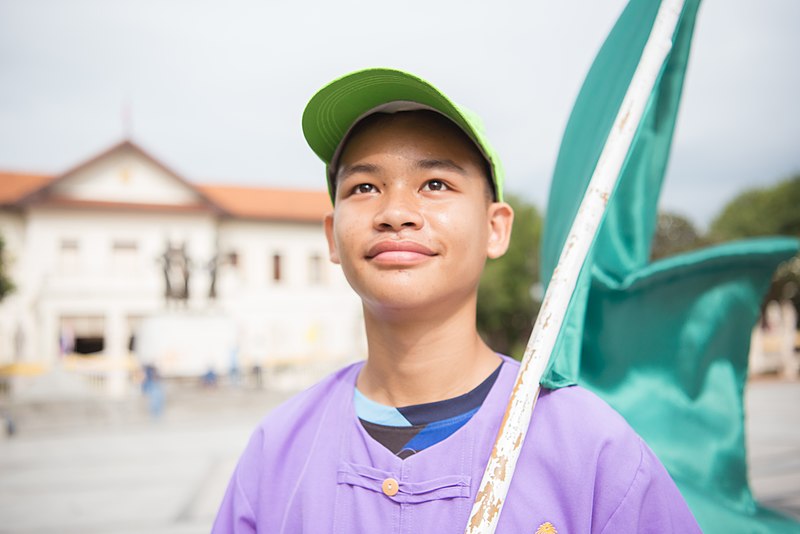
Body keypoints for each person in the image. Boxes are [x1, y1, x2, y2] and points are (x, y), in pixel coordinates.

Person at [212, 68, 700, 533]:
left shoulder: (591, 448)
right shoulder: (276, 453)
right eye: (364, 187)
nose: (396, 212)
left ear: (495, 227)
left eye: (435, 184)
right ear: (332, 237)